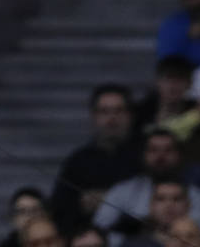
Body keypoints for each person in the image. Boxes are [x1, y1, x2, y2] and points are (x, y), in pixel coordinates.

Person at [51, 85, 140, 237]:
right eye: (104, 112)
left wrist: (113, 201)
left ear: (130, 115)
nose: (112, 118)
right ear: (94, 116)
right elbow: (59, 208)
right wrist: (81, 205)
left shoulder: (146, 156)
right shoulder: (77, 162)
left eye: (118, 111)